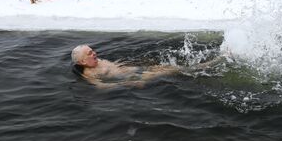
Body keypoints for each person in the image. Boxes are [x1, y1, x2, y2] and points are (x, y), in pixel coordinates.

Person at [71, 45, 218, 88]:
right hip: (136, 78)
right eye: (90, 53)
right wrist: (128, 83)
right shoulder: (89, 74)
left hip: (136, 71)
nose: (94, 54)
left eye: (93, 51)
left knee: (166, 65)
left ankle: (202, 66)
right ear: (82, 62)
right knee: (170, 69)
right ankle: (208, 65)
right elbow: (100, 87)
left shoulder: (98, 61)